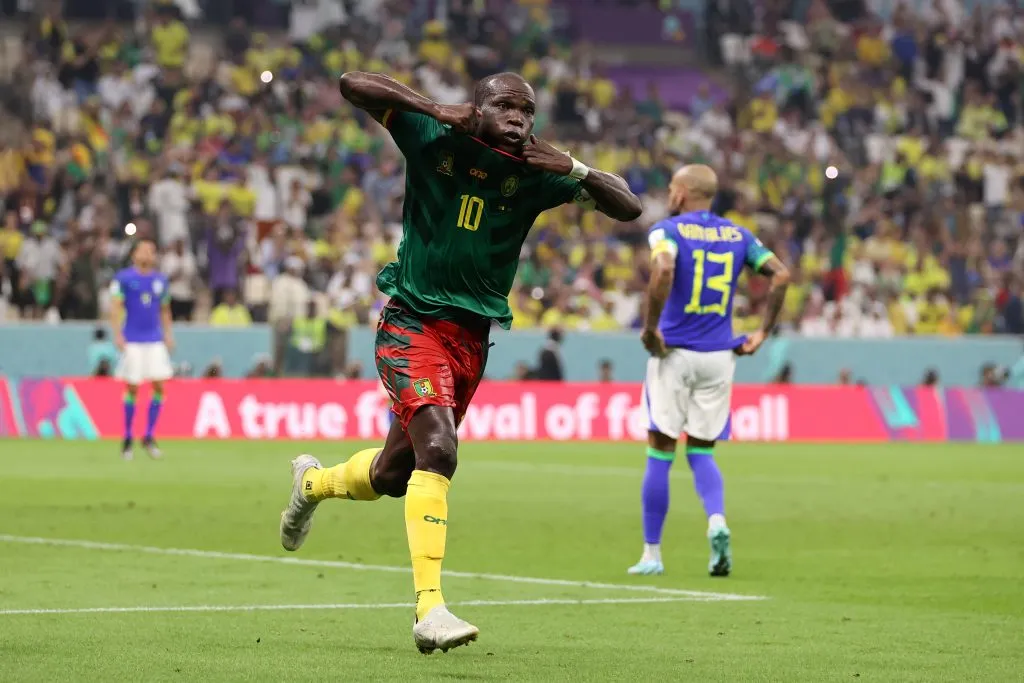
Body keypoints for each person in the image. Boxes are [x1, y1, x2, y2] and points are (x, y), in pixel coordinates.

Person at [279, 70, 642, 654]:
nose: (518, 117)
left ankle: (312, 484)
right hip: (412, 322)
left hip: (470, 341)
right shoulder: (432, 136)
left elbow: (628, 207)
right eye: (505, 105)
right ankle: (430, 609)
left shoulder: (536, 169)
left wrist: (574, 168)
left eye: (527, 109)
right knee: (440, 451)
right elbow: (351, 83)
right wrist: (433, 108)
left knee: (392, 475)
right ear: (477, 107)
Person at [629, 165, 790, 578]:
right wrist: (763, 332)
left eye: (671, 188)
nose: (669, 194)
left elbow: (664, 269)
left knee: (660, 449)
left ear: (682, 192)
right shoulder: (739, 236)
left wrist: (650, 328)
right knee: (702, 451)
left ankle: (652, 554)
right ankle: (717, 521)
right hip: (720, 356)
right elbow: (780, 274)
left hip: (675, 352)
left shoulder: (667, 231)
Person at [109, 238, 175, 460]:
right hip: (133, 339)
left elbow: (165, 310)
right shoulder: (124, 279)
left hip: (154, 339)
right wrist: (118, 334)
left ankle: (148, 435)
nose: (148, 254)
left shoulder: (160, 280)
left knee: (159, 385)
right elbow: (115, 307)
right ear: (134, 254)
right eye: (144, 250)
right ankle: (128, 437)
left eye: (151, 251)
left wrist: (168, 334)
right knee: (133, 387)